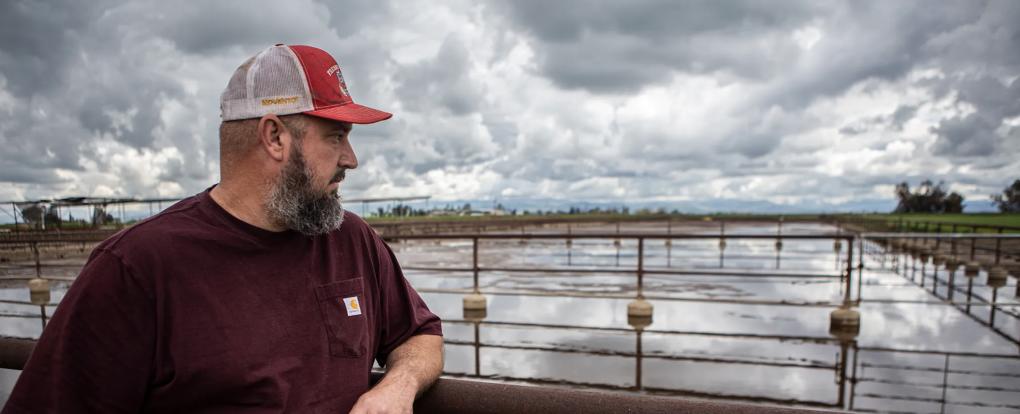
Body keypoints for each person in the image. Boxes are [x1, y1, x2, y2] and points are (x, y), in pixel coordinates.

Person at [3, 44, 443, 413]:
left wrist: (395, 388)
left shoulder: (351, 240)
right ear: (274, 137)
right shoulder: (137, 268)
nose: (351, 159)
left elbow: (419, 334)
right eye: (335, 136)